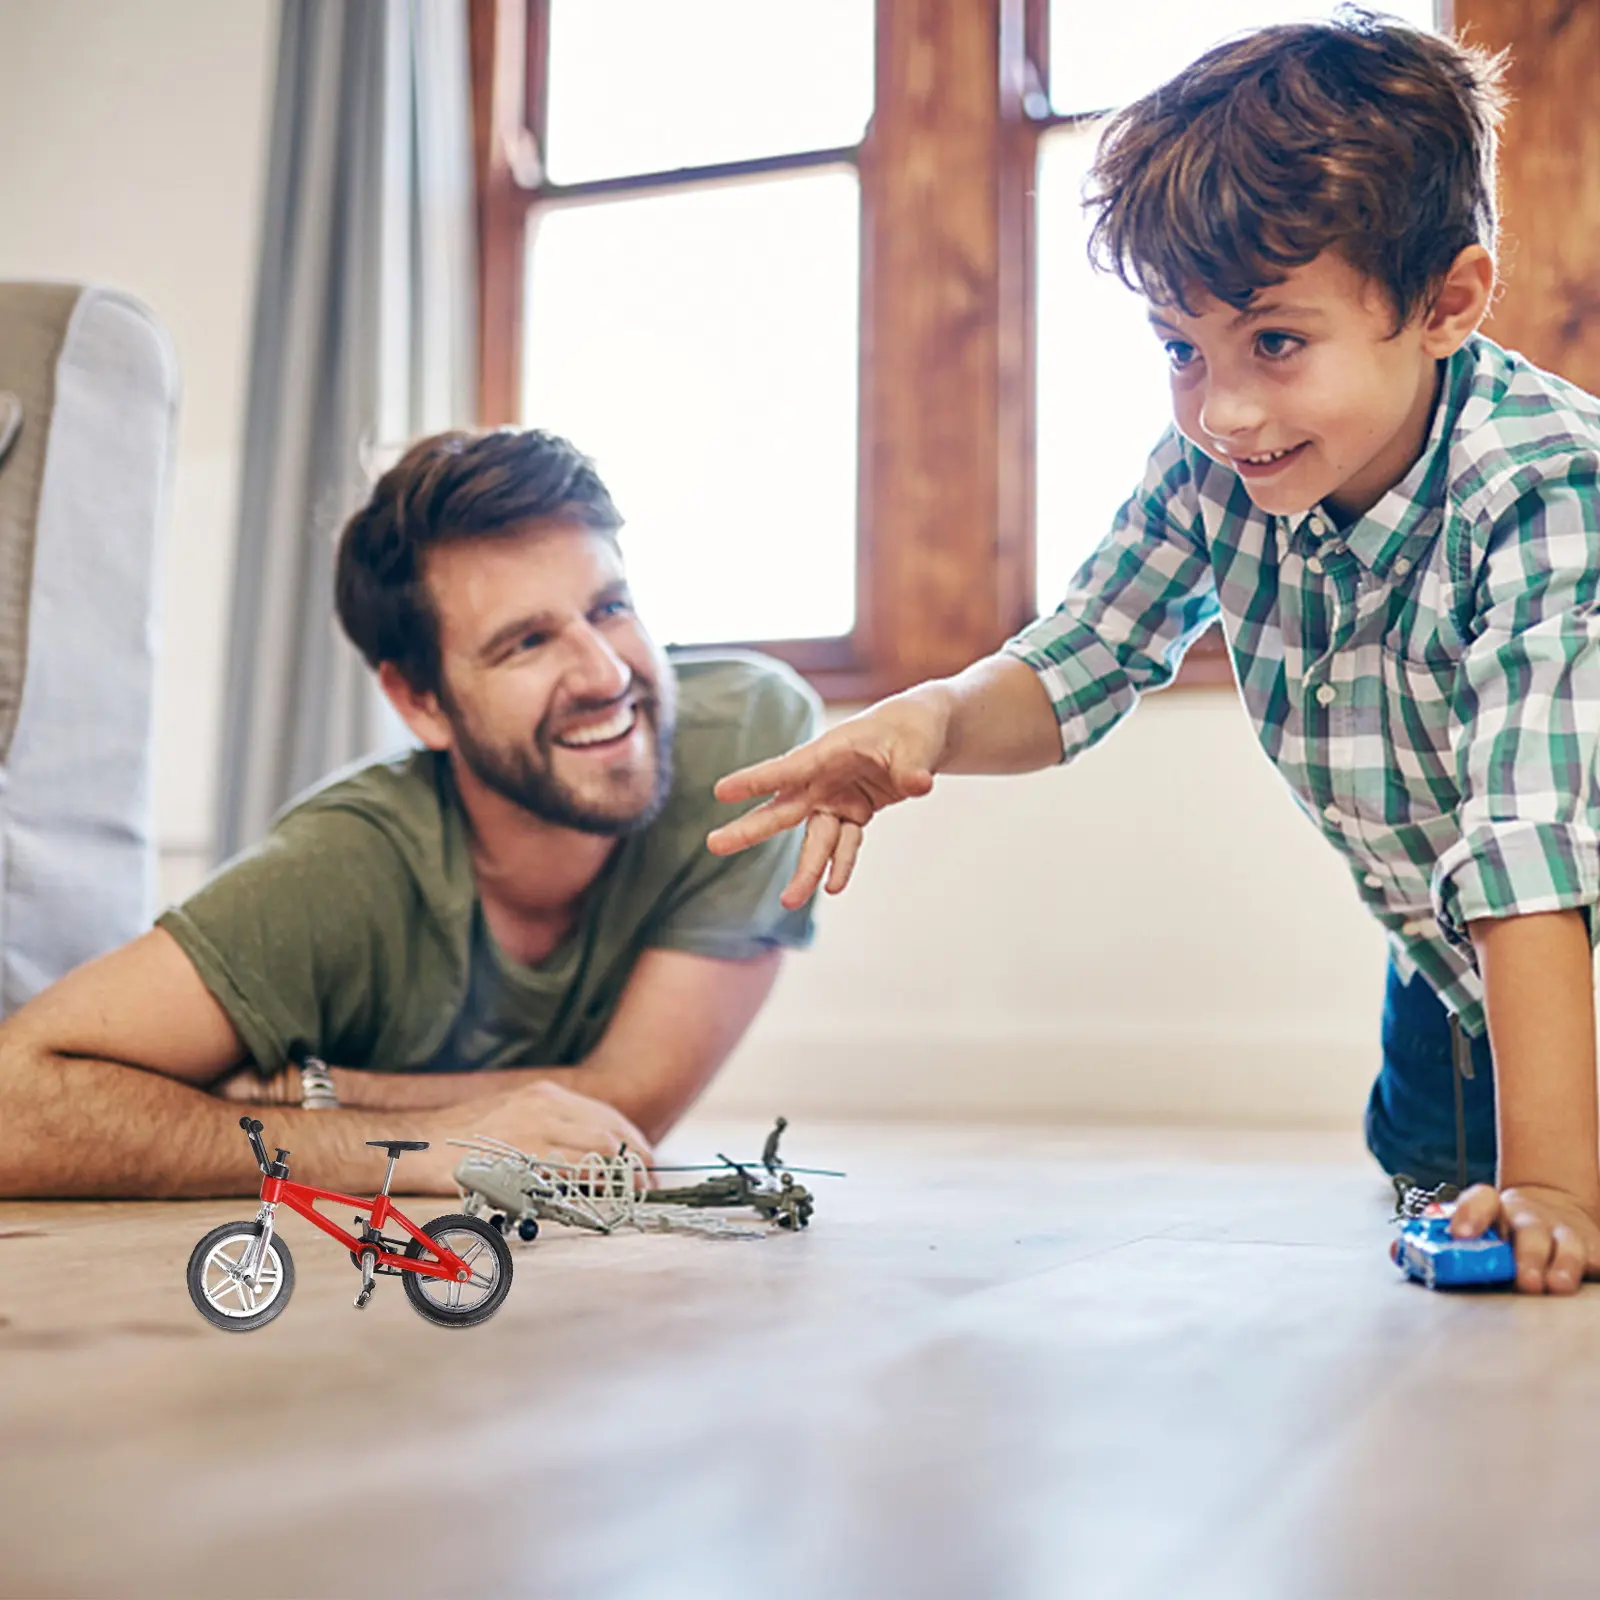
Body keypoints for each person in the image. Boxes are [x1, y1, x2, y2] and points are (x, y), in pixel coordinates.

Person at [708, 13, 1600, 1295]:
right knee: (1422, 1167)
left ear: (1444, 302)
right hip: (1455, 969)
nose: (1222, 409)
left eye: (1275, 343)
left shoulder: (1540, 485)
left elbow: (1528, 843)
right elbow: (1083, 657)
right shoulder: (1217, 472)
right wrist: (934, 721)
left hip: (1555, 912)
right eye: (1181, 349)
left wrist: (1555, 1188)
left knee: (1549, 1207)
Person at [0, 428, 817, 1197]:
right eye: (526, 643)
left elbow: (627, 1105)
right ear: (420, 701)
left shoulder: (749, 749)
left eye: (609, 607)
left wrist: (317, 1093)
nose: (605, 674)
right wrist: (419, 1148)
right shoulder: (339, 871)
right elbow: (14, 1104)